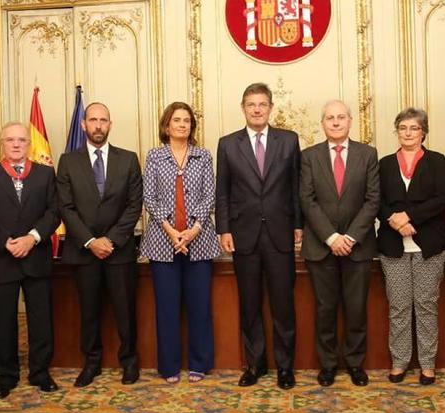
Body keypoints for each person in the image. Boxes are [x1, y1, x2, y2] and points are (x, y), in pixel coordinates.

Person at [215, 82, 302, 390]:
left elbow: (295, 187)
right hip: (243, 235)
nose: (256, 109)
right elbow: (222, 191)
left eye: (262, 104)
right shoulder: (227, 144)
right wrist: (223, 228)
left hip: (280, 235)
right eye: (251, 104)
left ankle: (285, 367)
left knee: (283, 305)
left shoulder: (289, 141)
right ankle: (255, 364)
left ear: (270, 108)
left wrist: (298, 225)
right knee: (249, 305)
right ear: (243, 108)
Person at [0, 122, 61, 399]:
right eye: (10, 140)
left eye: (21, 140)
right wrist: (6, 242)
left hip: (36, 256)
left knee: (41, 320)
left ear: (28, 144)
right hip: (2, 257)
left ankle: (40, 373)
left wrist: (32, 238)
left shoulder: (46, 174)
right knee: (1, 322)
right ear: (1, 143)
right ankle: (6, 376)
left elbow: (54, 212)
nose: (16, 144)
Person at [56, 102, 143, 387]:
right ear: (83, 125)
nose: (97, 125)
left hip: (119, 251)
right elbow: (65, 207)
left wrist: (111, 240)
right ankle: (91, 363)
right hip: (84, 251)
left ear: (110, 124)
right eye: (92, 120)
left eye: (103, 120)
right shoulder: (68, 161)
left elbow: (134, 205)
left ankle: (129, 362)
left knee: (125, 311)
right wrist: (91, 241)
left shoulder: (128, 159)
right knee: (89, 312)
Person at [140, 102, 222, 384]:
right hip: (163, 242)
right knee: (167, 308)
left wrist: (192, 230)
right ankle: (169, 366)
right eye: (177, 120)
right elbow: (150, 198)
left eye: (187, 121)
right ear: (166, 126)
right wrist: (172, 231)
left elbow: (209, 196)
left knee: (200, 307)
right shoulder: (154, 156)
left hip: (199, 242)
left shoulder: (203, 155)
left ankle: (200, 363)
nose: (182, 125)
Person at [299, 100, 378, 387]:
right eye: (330, 118)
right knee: (325, 309)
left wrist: (350, 237)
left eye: (340, 117)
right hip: (322, 247)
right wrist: (331, 237)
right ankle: (328, 364)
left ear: (350, 121)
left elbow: (372, 200)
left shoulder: (367, 154)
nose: (335, 122)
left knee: (356, 309)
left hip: (358, 247)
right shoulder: (308, 156)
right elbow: (307, 200)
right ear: (322, 123)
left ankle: (356, 363)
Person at [377, 108, 445, 385]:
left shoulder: (436, 161)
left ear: (423, 132)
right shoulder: (384, 163)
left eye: (414, 128)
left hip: (428, 245)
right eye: (403, 128)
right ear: (397, 131)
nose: (408, 133)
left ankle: (427, 364)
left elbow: (442, 197)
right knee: (398, 307)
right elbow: (376, 199)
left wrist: (409, 217)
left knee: (426, 305)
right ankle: (399, 361)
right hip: (393, 246)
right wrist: (395, 222)